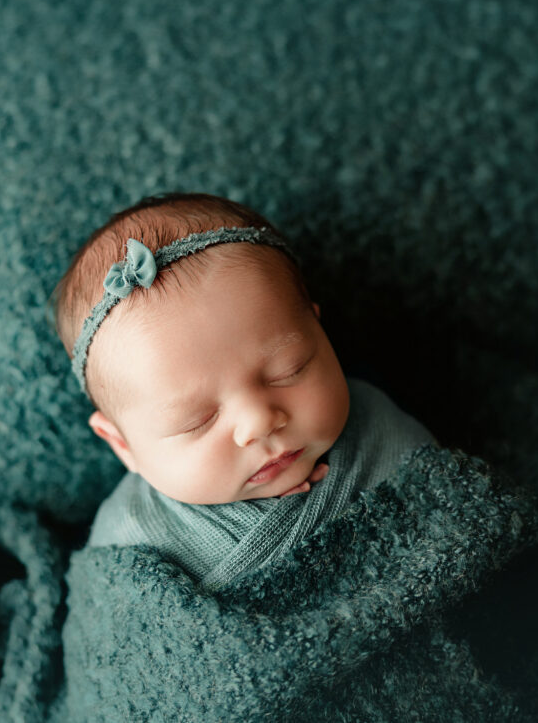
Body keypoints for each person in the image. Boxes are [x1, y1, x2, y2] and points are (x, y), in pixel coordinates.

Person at [48, 192, 436, 589]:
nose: (259, 422)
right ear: (122, 446)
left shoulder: (379, 431)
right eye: (197, 421)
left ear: (321, 334)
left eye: (289, 370)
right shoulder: (128, 537)